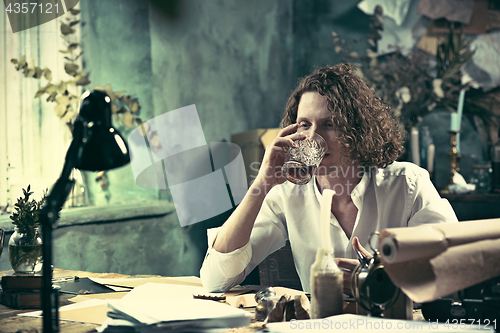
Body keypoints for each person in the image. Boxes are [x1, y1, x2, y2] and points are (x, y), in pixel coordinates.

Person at [200, 64, 457, 293]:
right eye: (304, 124)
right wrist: (261, 185)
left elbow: (453, 268)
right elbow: (216, 280)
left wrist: (380, 278)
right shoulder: (285, 194)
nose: (313, 138)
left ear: (358, 130)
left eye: (329, 124)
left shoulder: (407, 184)